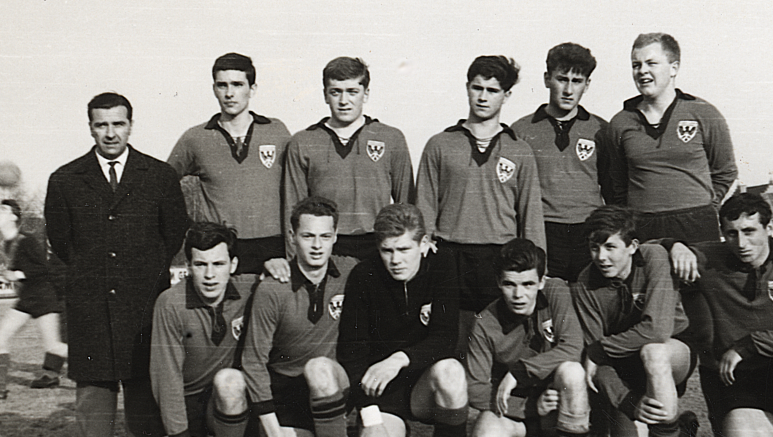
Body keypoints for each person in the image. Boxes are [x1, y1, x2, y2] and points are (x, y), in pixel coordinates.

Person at [597, 33, 739, 389]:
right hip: (649, 239)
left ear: (674, 68)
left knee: (708, 338)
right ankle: (671, 420)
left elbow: (725, 171)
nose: (642, 71)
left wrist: (706, 208)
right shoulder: (620, 124)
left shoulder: (703, 113)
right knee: (655, 336)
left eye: (651, 63)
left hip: (699, 237)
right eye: (635, 64)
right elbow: (616, 187)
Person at [45, 92, 189, 436]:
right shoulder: (65, 180)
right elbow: (62, 243)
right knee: (94, 420)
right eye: (102, 125)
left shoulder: (159, 176)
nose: (111, 133)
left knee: (146, 418)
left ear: (131, 126)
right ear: (91, 128)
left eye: (118, 124)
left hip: (143, 313)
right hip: (91, 315)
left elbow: (173, 235)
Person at [666, 193, 773, 437]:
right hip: (734, 378)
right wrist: (674, 245)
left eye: (749, 231)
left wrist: (747, 346)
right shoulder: (708, 257)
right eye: (732, 233)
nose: (741, 243)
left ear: (770, 228)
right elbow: (647, 251)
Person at [416, 55, 545, 357]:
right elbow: (424, 204)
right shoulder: (440, 144)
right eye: (477, 88)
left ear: (507, 95)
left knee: (499, 341)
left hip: (500, 255)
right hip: (449, 254)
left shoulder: (519, 150)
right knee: (450, 343)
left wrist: (538, 266)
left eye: (492, 90)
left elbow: (531, 214)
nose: (483, 96)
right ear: (467, 88)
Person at [336, 204, 468, 437]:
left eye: (404, 249)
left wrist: (400, 359)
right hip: (382, 392)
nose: (396, 259)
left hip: (424, 388)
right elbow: (352, 354)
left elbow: (445, 338)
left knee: (451, 372)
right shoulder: (363, 275)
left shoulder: (443, 265)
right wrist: (369, 414)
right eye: (387, 250)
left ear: (424, 244)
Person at [569, 206, 697, 437]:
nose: (601, 257)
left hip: (671, 350)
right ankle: (680, 428)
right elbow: (596, 358)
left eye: (610, 247)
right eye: (594, 248)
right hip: (622, 363)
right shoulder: (584, 283)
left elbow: (656, 330)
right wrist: (627, 401)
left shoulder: (653, 257)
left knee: (654, 352)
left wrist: (599, 350)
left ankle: (668, 431)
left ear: (632, 246)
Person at [241, 196, 358, 437]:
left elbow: (396, 259)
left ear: (335, 236)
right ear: (292, 236)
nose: (317, 245)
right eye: (308, 236)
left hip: (331, 383)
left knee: (320, 368)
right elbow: (254, 361)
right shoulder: (272, 288)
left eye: (324, 236)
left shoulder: (351, 272)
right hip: (286, 391)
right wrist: (274, 431)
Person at [168, 53, 293, 274]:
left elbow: (296, 187)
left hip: (272, 249)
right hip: (220, 250)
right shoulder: (195, 138)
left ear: (252, 89)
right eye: (222, 85)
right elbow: (163, 183)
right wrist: (190, 228)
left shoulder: (277, 131)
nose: (229, 93)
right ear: (214, 89)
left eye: (237, 84)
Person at [284, 57, 415, 261]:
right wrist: (294, 259)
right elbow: (293, 208)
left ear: (366, 94)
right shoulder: (303, 141)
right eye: (336, 92)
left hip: (378, 243)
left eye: (352, 92)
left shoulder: (390, 138)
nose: (344, 101)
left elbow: (407, 205)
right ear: (325, 95)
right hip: (325, 244)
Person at [466, 238, 588, 437]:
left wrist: (519, 372)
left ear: (541, 282)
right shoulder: (484, 321)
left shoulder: (555, 291)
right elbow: (475, 388)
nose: (518, 294)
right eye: (509, 284)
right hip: (518, 410)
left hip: (559, 402)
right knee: (485, 431)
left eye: (528, 284)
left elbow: (573, 346)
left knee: (572, 372)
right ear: (498, 282)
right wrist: (530, 407)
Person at [511, 42, 610, 282]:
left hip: (588, 232)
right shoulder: (521, 130)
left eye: (576, 81)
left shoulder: (601, 129)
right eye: (561, 79)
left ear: (587, 85)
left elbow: (612, 188)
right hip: (543, 229)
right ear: (547, 79)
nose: (568, 89)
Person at [150, 222, 259, 437]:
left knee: (230, 381)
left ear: (233, 264)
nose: (210, 275)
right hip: (188, 402)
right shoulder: (171, 303)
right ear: (188, 267)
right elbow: (166, 377)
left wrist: (277, 266)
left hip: (232, 399)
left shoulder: (252, 288)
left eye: (218, 264)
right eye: (201, 264)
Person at [0, 199, 68, 402]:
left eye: (3, 209)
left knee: (54, 348)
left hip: (43, 298)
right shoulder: (8, 243)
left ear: (14, 217)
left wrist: (18, 274)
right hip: (27, 299)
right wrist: (6, 277)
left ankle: (105, 365)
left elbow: (43, 269)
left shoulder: (27, 240)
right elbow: (22, 273)